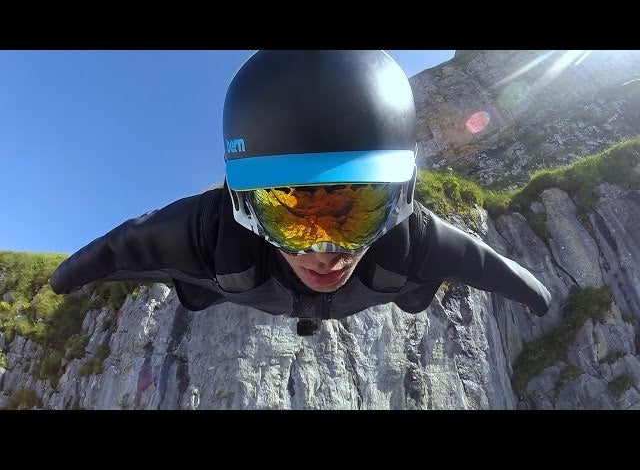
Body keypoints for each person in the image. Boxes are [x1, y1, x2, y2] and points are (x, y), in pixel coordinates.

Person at [50, 50, 551, 336]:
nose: (325, 252)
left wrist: (64, 280)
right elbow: (123, 247)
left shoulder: (413, 240)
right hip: (300, 286)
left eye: (354, 212)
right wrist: (64, 280)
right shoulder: (208, 234)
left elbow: (485, 265)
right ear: (243, 208)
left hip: (259, 287)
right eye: (291, 215)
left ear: (400, 201)